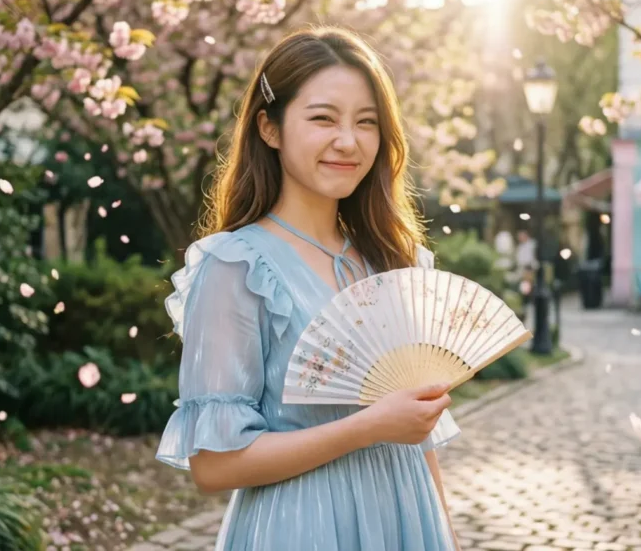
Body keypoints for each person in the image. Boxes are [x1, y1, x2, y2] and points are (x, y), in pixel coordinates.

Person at [155, 27, 462, 550]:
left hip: (409, 518)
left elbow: (420, 431)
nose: (349, 141)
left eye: (367, 122)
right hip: (303, 524)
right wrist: (368, 427)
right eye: (323, 118)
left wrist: (447, 537)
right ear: (269, 129)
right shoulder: (238, 267)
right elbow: (214, 466)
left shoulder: (391, 258)